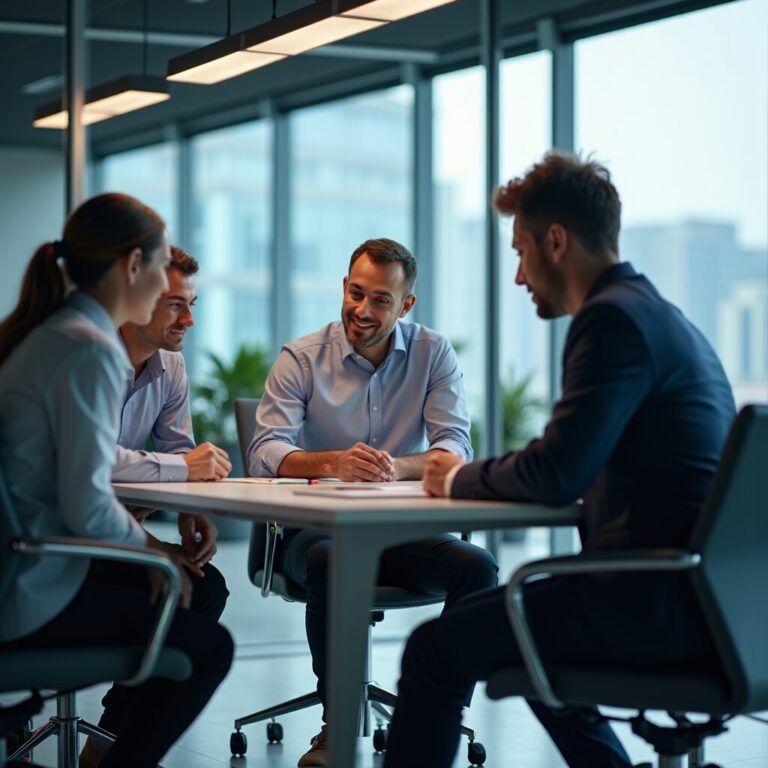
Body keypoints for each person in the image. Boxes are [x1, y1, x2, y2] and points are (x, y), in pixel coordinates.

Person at [382, 153, 736, 768]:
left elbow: (554, 474)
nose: (519, 276)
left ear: (555, 241)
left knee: (433, 651)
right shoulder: (665, 318)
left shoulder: (610, 322)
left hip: (652, 603)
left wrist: (457, 476)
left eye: (520, 253)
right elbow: (573, 458)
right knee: (528, 638)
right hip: (712, 600)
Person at [0, 193, 234, 768]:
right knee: (208, 647)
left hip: (30, 565)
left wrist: (157, 549)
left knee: (190, 597)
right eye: (159, 270)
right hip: (35, 583)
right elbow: (88, 500)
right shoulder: (90, 348)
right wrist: (158, 554)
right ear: (134, 266)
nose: (163, 288)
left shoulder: (58, 332)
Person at [249, 237, 499, 766]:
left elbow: (453, 446)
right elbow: (264, 450)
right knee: (333, 561)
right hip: (314, 532)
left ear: (406, 305)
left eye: (381, 300)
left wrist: (395, 467)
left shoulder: (433, 353)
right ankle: (335, 726)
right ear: (344, 286)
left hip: (398, 530)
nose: (362, 310)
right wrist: (333, 462)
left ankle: (434, 727)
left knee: (476, 568)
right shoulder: (301, 358)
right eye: (356, 293)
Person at [78, 246, 233, 768]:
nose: (188, 319)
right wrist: (181, 473)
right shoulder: (87, 355)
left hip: (107, 531)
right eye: (174, 305)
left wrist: (191, 508)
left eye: (191, 304)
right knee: (186, 595)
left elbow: (174, 452)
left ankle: (107, 743)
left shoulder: (170, 365)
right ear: (137, 297)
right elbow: (95, 459)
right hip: (62, 544)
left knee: (202, 587)